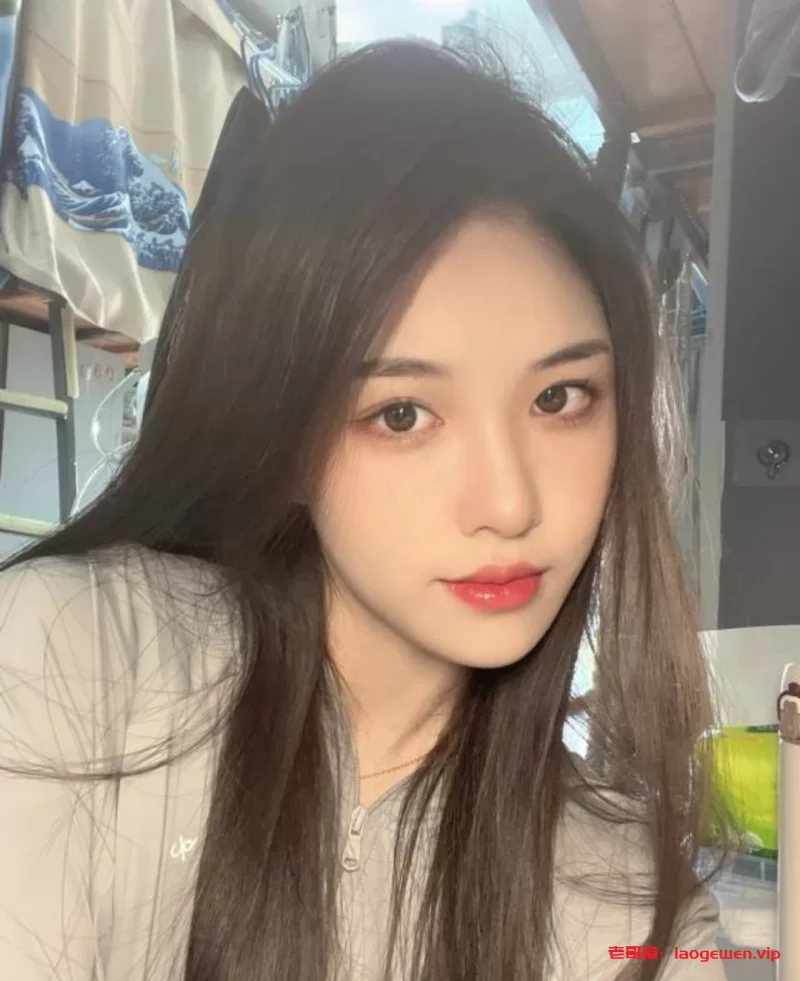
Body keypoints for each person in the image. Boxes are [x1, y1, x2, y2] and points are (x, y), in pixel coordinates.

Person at [0, 40, 728, 981]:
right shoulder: (76, 660)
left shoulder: (632, 905)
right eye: (402, 414)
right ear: (281, 435)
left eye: (559, 398)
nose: (510, 503)